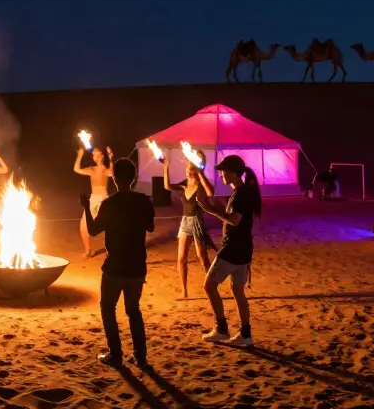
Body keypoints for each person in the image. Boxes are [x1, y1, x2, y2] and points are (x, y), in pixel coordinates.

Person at [82, 158, 157, 368]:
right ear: (133, 178)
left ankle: (116, 354)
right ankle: (141, 358)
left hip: (115, 266)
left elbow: (93, 230)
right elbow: (150, 227)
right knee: (133, 309)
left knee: (108, 308)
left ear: (114, 178)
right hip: (137, 265)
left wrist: (86, 207)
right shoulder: (143, 201)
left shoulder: (110, 204)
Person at [197, 155, 262, 347]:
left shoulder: (242, 193)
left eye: (223, 171)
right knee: (237, 291)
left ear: (233, 173)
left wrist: (212, 209)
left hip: (232, 249)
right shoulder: (243, 191)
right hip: (243, 249)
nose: (221, 174)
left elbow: (235, 220)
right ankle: (245, 334)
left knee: (209, 286)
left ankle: (222, 329)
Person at [163, 157, 217, 299]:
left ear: (196, 171)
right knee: (181, 258)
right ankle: (184, 290)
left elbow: (211, 193)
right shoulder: (184, 184)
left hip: (197, 223)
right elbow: (167, 186)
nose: (188, 173)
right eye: (187, 171)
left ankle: (211, 285)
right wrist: (165, 167)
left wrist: (201, 174)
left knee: (202, 257)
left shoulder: (201, 185)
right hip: (185, 222)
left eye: (191, 171)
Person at [74, 145, 116, 256]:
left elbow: (112, 173)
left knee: (108, 225)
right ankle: (88, 250)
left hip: (104, 198)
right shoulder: (91, 170)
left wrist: (111, 158)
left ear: (102, 156)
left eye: (98, 155)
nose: (95, 157)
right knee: (83, 225)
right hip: (93, 198)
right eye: (93, 155)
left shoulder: (105, 170)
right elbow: (76, 169)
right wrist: (80, 155)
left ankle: (110, 250)